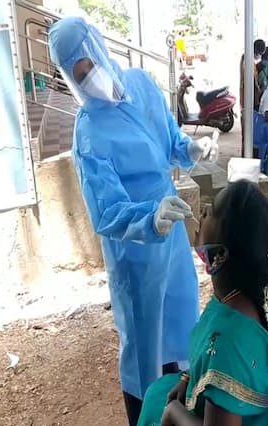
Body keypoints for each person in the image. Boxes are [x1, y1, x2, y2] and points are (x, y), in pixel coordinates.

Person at [48, 17, 219, 426]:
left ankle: (183, 407)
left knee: (183, 324)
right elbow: (106, 210)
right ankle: (144, 417)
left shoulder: (142, 85)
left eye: (90, 64)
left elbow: (171, 142)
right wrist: (148, 218)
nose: (90, 78)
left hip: (172, 235)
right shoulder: (89, 132)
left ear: (100, 48)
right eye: (79, 75)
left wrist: (192, 149)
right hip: (135, 252)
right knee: (144, 346)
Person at [138, 180, 268, 426]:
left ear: (220, 255)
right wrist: (188, 378)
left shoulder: (227, 341)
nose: (204, 209)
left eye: (212, 211)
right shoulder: (241, 294)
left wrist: (173, 413)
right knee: (157, 394)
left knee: (157, 403)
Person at [240, 39, 266, 155]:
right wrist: (259, 92)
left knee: (249, 131)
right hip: (248, 100)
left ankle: (247, 153)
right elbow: (251, 80)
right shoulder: (247, 59)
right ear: (257, 50)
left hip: (250, 99)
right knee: (247, 132)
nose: (259, 56)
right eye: (259, 53)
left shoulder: (249, 59)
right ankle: (246, 155)